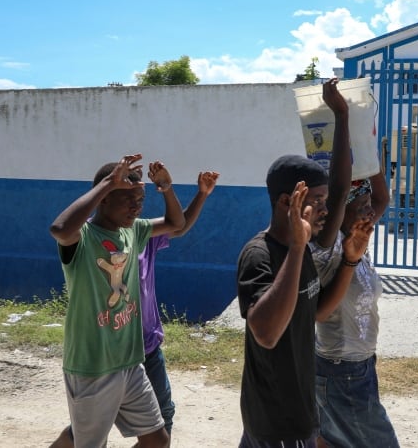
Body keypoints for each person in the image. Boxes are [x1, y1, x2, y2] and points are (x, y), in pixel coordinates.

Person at [236, 79, 372, 447]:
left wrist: (349, 260)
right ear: (286, 203)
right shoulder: (260, 255)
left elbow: (316, 311)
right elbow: (265, 332)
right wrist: (297, 249)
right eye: (317, 200)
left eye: (326, 199)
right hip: (276, 416)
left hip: (297, 405)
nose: (327, 208)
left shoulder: (307, 246)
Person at [51, 170, 219, 447]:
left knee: (158, 437)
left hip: (132, 359)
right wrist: (107, 183)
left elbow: (178, 224)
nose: (136, 206)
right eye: (128, 198)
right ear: (104, 198)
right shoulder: (84, 237)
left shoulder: (135, 231)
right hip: (94, 365)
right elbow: (60, 230)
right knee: (88, 440)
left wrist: (166, 187)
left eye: (140, 199)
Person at [309, 168, 399, 448]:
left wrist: (368, 157)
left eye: (369, 206)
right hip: (341, 370)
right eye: (361, 207)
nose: (370, 212)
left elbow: (382, 198)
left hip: (360, 366)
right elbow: (319, 313)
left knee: (332, 443)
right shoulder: (328, 249)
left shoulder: (359, 238)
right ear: (339, 213)